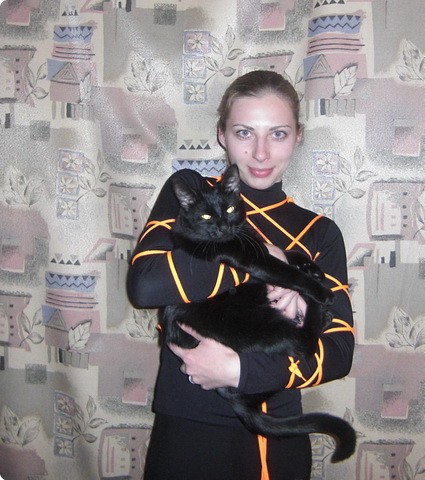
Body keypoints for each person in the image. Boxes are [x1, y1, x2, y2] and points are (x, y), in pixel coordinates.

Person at [127, 70, 355, 480]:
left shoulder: (319, 232)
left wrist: (241, 371)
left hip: (279, 435)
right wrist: (268, 261)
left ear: (298, 137)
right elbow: (145, 285)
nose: (261, 153)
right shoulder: (190, 191)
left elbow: (339, 352)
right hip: (189, 430)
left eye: (278, 134)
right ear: (222, 135)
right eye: (245, 133)